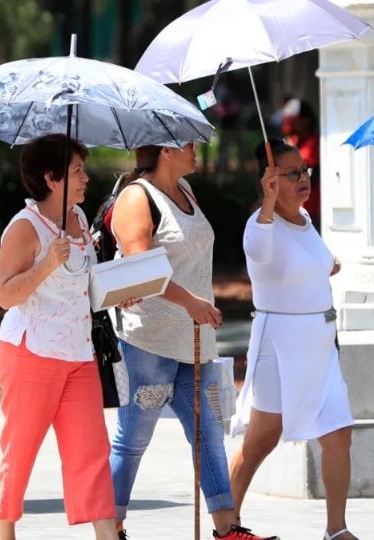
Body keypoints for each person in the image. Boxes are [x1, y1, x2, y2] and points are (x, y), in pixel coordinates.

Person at [109, 143, 276, 540]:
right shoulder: (136, 197)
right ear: (166, 150)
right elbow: (140, 267)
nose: (196, 148)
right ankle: (110, 527)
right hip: (148, 341)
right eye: (187, 143)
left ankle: (227, 528)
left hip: (195, 340)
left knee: (208, 436)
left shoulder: (185, 190)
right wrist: (190, 303)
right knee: (133, 439)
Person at [0, 135, 118, 540]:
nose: (85, 177)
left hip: (79, 354)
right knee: (21, 449)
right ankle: (5, 531)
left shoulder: (80, 218)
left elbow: (86, 286)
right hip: (32, 353)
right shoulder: (24, 228)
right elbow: (4, 294)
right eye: (77, 169)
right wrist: (47, 262)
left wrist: (120, 293)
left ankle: (106, 535)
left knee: (92, 453)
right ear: (51, 177)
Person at [228, 139, 355, 540]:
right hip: (279, 346)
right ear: (269, 179)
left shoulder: (305, 219)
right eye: (292, 173)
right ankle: (225, 524)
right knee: (261, 440)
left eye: (305, 171)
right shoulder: (258, 225)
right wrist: (267, 204)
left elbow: (312, 262)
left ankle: (336, 529)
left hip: (319, 345)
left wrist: (327, 266)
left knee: (338, 431)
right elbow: (259, 252)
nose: (304, 179)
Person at [278, 97, 320, 226]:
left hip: (311, 210)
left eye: (293, 121)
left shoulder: (316, 143)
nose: (289, 126)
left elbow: (310, 175)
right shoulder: (292, 141)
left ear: (306, 121)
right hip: (291, 212)